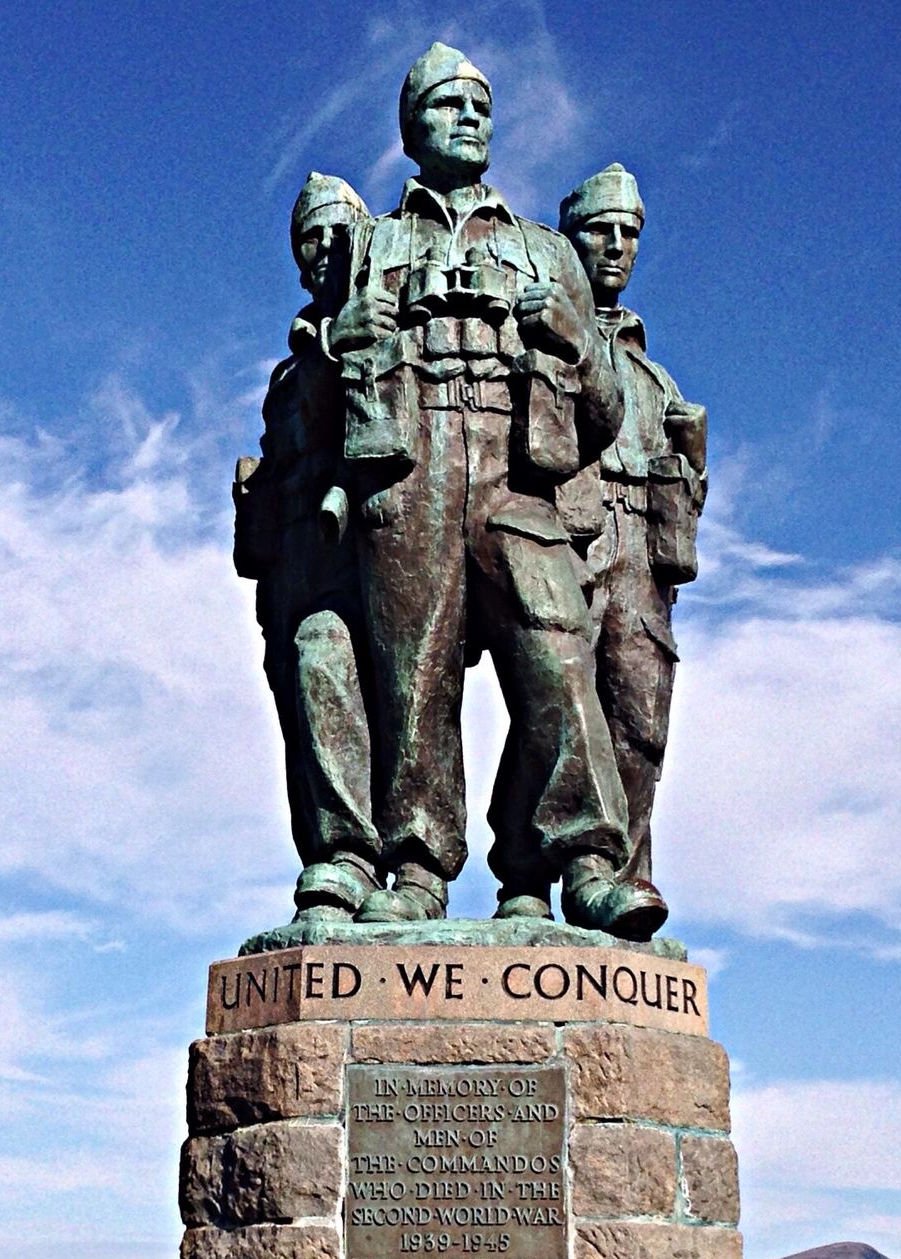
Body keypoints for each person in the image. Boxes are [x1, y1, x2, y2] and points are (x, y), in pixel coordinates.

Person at [330, 44, 664, 937]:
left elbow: (606, 409)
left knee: (558, 658)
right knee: (413, 677)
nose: (469, 118)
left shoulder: (544, 251)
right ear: (411, 129)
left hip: (519, 476)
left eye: (480, 104)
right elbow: (317, 410)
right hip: (413, 468)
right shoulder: (373, 246)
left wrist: (579, 341)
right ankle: (414, 865)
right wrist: (343, 344)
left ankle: (590, 859)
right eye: (446, 105)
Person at [556, 163, 707, 907]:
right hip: (571, 540)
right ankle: (536, 871)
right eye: (600, 230)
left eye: (630, 233)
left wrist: (690, 470)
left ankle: (626, 877)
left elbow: (689, 491)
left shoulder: (656, 379)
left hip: (641, 555)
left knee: (640, 722)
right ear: (568, 237)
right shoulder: (551, 340)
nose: (616, 246)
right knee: (560, 709)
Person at [234, 173, 382, 919]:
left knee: (334, 665)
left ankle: (353, 855)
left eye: (333, 233)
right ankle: (327, 865)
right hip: (286, 566)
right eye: (307, 239)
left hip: (356, 559)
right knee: (305, 720)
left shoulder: (375, 332)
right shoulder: (286, 370)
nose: (321, 250)